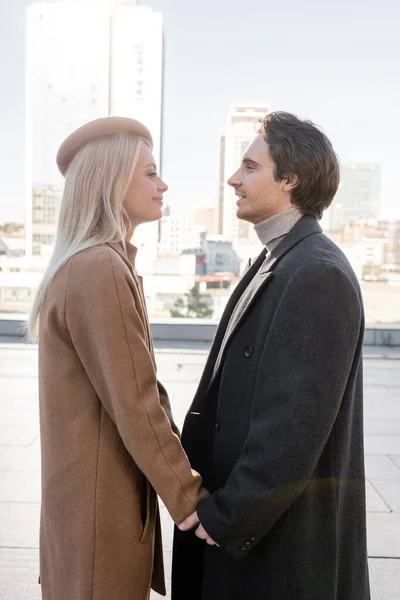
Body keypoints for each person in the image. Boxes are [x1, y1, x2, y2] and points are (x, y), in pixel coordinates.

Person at [173, 111, 370, 600]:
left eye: (250, 167)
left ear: (291, 179)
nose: (232, 178)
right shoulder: (277, 257)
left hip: (276, 551)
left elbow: (294, 426)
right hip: (255, 537)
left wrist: (229, 516)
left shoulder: (316, 273)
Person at [28, 117, 204, 600]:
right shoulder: (100, 268)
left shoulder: (93, 263)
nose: (163, 184)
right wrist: (189, 498)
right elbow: (137, 402)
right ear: (111, 177)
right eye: (150, 172)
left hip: (85, 515)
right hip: (99, 521)